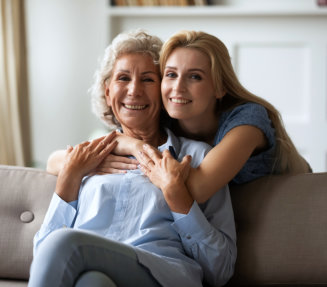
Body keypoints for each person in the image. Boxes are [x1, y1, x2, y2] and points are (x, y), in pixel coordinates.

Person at [29, 30, 236, 287]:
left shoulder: (199, 158)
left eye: (148, 80)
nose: (134, 90)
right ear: (107, 92)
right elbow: (43, 257)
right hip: (89, 269)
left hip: (161, 273)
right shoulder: (84, 160)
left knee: (62, 243)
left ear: (162, 91)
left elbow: (221, 269)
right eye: (123, 78)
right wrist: (69, 178)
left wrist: (178, 197)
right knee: (92, 283)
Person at [90, 29, 312, 204]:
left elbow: (196, 190)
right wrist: (115, 148)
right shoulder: (170, 117)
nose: (178, 88)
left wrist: (132, 148)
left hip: (292, 200)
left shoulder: (247, 121)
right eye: (171, 74)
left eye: (195, 77)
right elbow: (57, 160)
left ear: (219, 87)